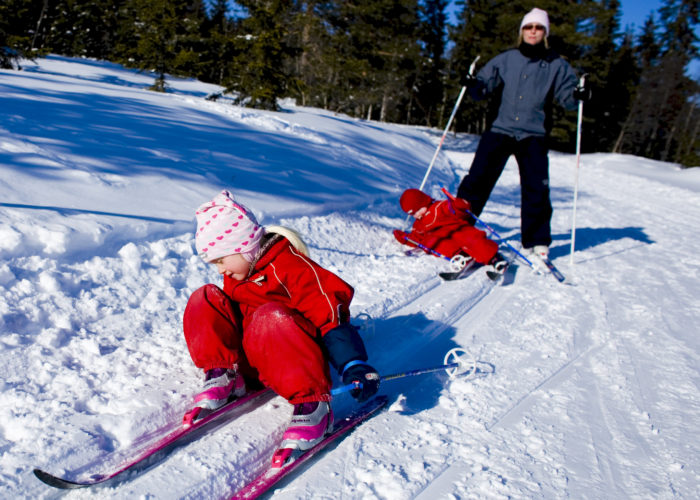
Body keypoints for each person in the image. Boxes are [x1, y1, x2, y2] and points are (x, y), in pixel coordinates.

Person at [183, 189, 380, 461]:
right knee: (204, 297)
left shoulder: (292, 268)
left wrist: (353, 364)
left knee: (270, 316)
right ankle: (224, 374)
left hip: (291, 360)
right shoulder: (240, 271)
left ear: (243, 247)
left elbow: (328, 315)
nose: (220, 270)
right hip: (253, 360)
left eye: (221, 259)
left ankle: (314, 408)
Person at [457, 7, 590, 262]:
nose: (533, 32)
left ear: (545, 33)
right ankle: (458, 225)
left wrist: (578, 95)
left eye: (538, 28)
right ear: (522, 31)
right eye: (529, 27)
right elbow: (483, 87)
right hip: (501, 129)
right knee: (477, 180)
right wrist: (473, 84)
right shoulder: (506, 59)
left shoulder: (557, 65)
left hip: (533, 134)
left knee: (536, 188)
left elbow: (567, 97)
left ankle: (537, 240)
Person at [393, 188, 507, 272]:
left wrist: (459, 205)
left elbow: (454, 209)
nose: (416, 215)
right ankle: (462, 256)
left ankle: (494, 258)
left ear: (423, 202)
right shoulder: (418, 224)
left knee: (473, 240)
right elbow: (418, 239)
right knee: (434, 243)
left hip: (459, 230)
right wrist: (405, 238)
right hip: (444, 238)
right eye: (412, 214)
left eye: (417, 211)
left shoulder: (438, 207)